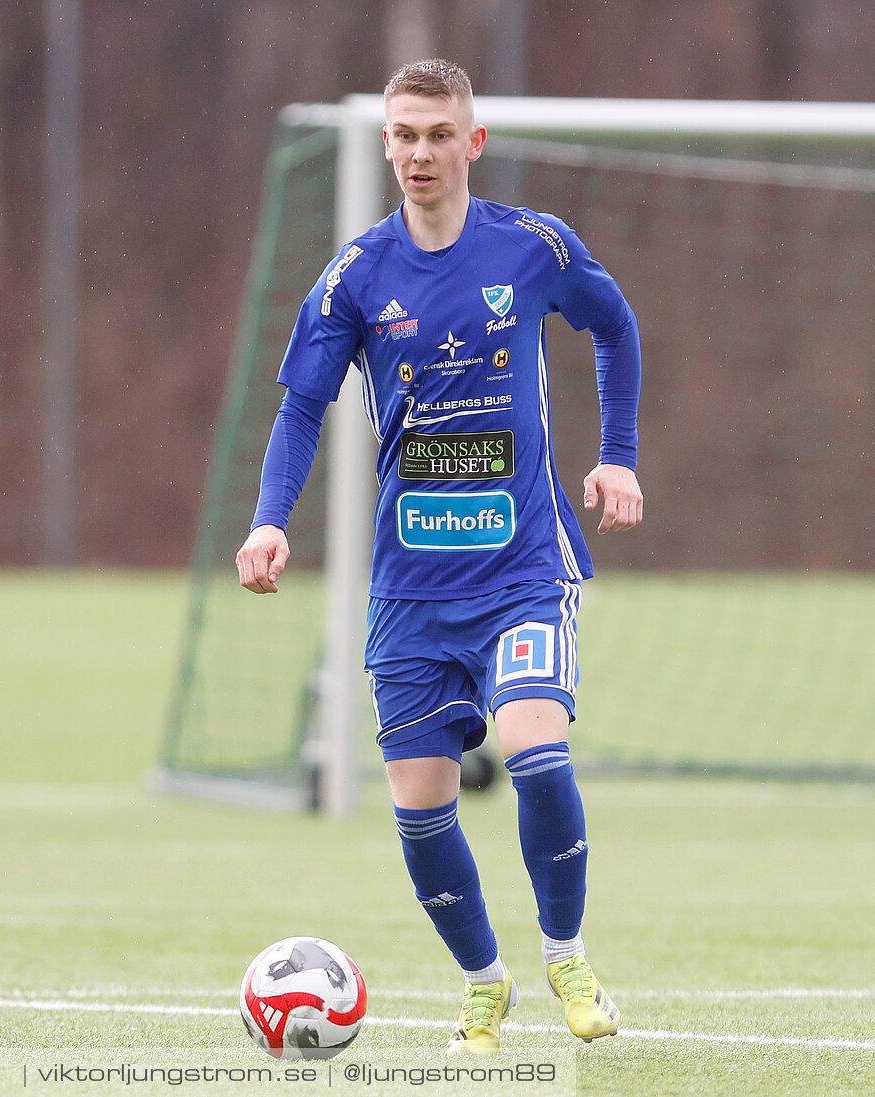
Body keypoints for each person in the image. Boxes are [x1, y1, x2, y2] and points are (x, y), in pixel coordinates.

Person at [235, 59, 642, 1055]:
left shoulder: (533, 247)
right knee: (421, 809)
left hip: (522, 569)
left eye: (437, 134)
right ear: (384, 145)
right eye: (403, 134)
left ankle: (566, 952)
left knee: (537, 748)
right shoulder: (356, 276)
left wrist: (619, 455)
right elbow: (300, 405)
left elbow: (616, 325)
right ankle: (483, 984)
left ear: (473, 143)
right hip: (411, 589)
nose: (420, 152)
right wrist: (270, 517)